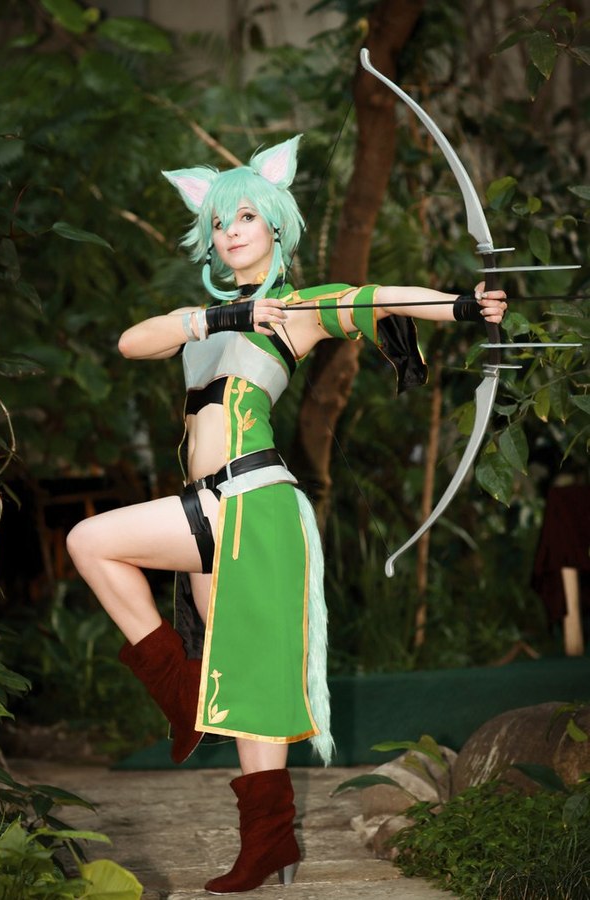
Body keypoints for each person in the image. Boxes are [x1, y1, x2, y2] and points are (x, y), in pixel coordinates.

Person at [66, 134, 507, 894]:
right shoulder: (210, 319)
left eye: (245, 216)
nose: (230, 231)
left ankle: (207, 739)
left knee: (93, 542)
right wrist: (218, 319)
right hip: (208, 502)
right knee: (237, 675)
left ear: (275, 223)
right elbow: (132, 342)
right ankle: (253, 810)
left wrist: (465, 305)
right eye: (218, 221)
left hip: (252, 502)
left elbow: (374, 298)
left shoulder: (294, 310)